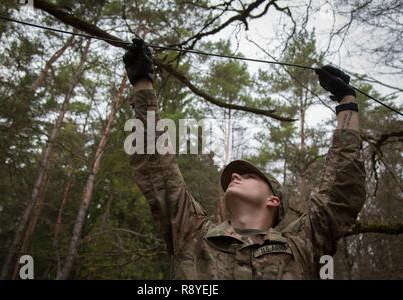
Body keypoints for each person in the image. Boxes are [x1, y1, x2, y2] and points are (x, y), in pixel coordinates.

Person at [123, 38, 366, 279]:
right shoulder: (193, 234)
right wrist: (142, 85)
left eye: (248, 175)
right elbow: (158, 172)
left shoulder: (301, 246)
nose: (234, 176)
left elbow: (340, 194)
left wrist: (347, 101)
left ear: (273, 200)